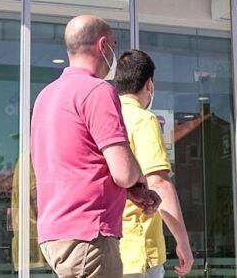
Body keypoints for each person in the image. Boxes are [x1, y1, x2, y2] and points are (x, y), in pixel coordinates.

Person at [31, 15, 161, 277]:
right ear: (103, 45)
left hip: (54, 234)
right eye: (113, 44)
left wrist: (131, 192)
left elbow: (74, 165)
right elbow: (123, 171)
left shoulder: (46, 96)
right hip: (89, 235)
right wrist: (137, 178)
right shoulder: (97, 91)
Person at [114, 50, 194, 278]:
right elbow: (158, 183)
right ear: (149, 84)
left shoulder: (105, 118)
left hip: (108, 248)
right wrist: (183, 242)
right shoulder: (143, 120)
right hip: (138, 249)